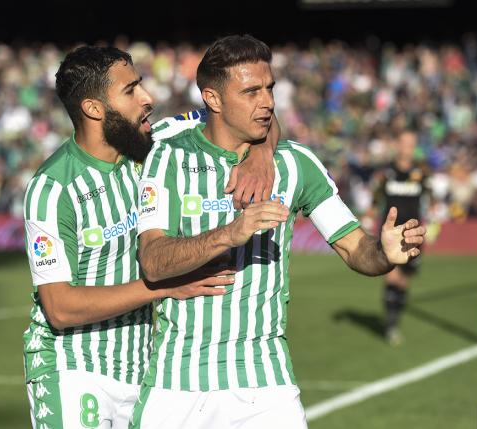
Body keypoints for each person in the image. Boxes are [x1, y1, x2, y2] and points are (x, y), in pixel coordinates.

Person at [132, 34, 426, 429]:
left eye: (269, 88)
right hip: (177, 383)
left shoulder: (296, 163)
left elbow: (356, 248)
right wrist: (229, 233)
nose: (267, 101)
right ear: (213, 99)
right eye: (251, 91)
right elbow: (152, 261)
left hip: (265, 384)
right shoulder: (169, 156)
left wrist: (384, 253)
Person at [22, 45, 277, 429]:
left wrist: (260, 154)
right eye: (130, 90)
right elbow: (60, 308)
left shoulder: (157, 143)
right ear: (93, 109)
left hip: (143, 372)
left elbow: (256, 119)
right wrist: (163, 286)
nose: (148, 98)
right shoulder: (52, 188)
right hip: (72, 368)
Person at [373, 129, 431, 345]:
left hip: (413, 234)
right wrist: (370, 215)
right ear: (398, 145)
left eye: (412, 143)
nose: (408, 147)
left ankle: (394, 320)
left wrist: (433, 222)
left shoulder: (421, 173)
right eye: (405, 142)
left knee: (404, 280)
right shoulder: (387, 173)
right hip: (391, 234)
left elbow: (430, 198)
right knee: (392, 276)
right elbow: (375, 197)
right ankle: (390, 326)